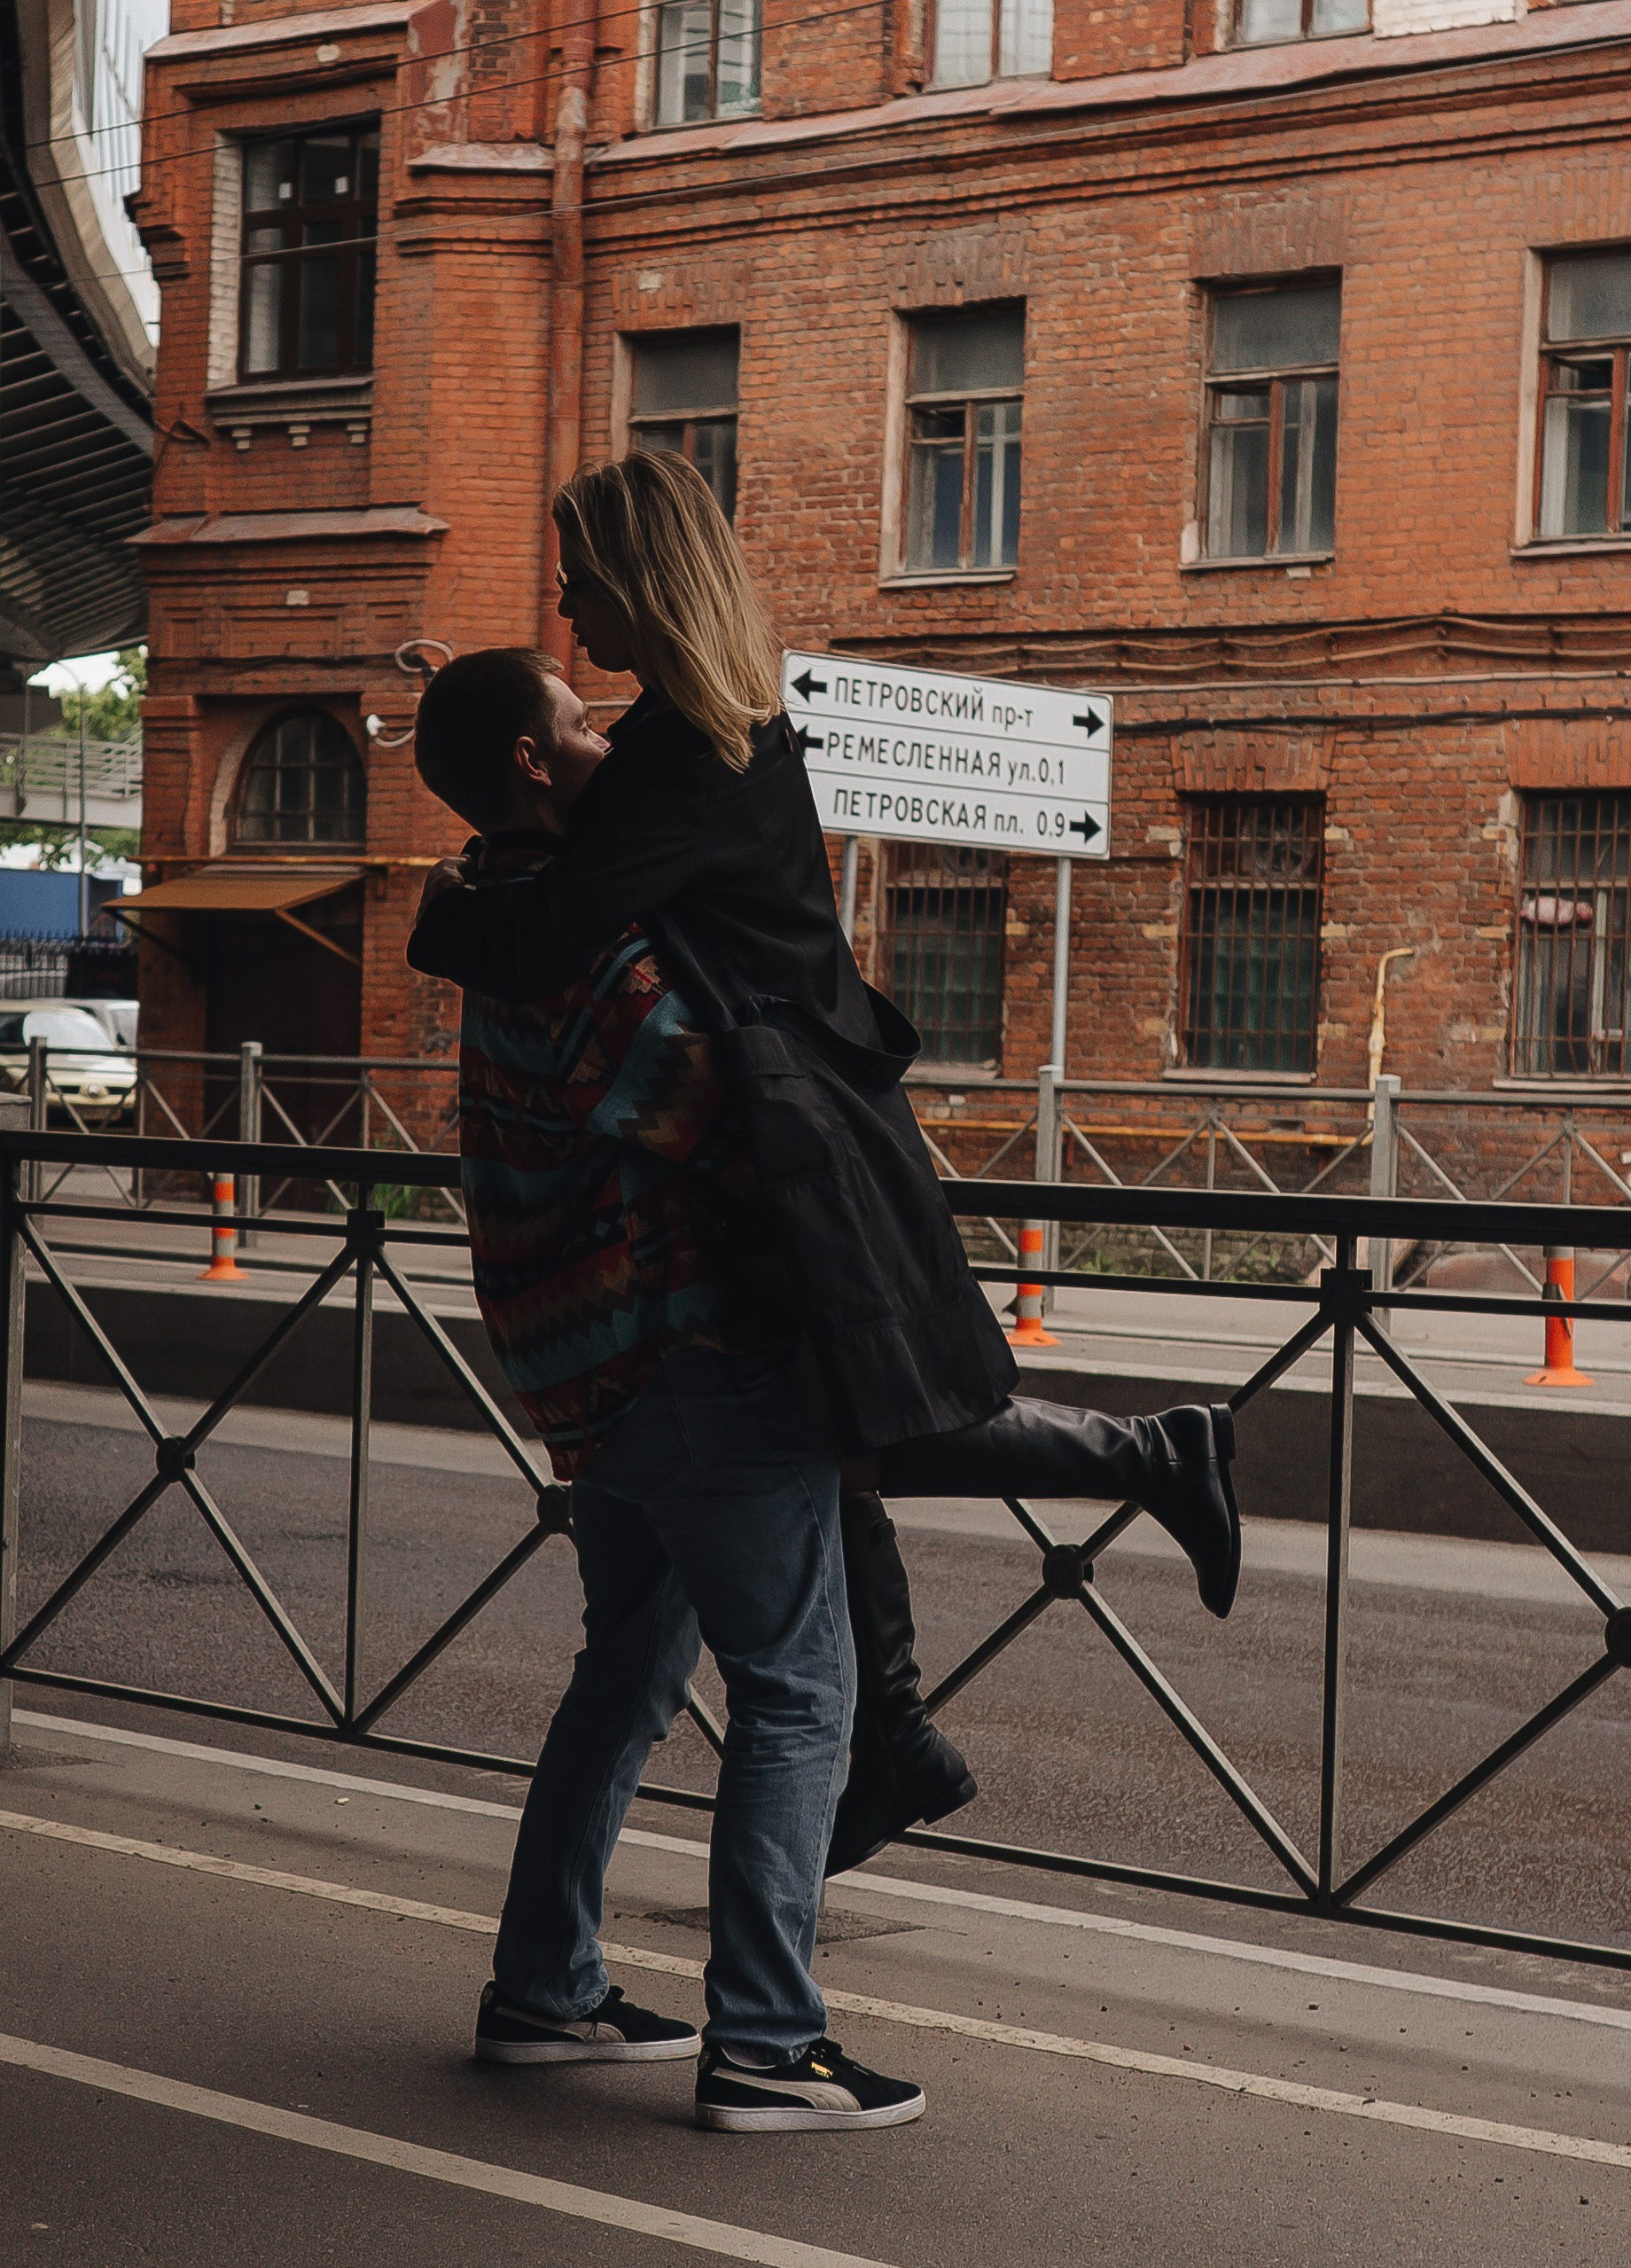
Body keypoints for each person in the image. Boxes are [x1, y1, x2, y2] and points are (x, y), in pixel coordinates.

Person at [408, 453, 1244, 1873]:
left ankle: (1146, 1464)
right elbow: (560, 868)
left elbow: (551, 941)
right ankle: (904, 1732)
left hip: (787, 1151)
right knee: (836, 1434)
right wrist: (483, 737)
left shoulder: (679, 760)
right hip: (790, 1135)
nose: (567, 608)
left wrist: (447, 897)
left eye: (581, 580)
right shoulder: (708, 731)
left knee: (867, 1425)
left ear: (640, 582)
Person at [413, 644, 926, 2132]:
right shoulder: (580, 935)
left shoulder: (498, 908)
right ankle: (767, 2042)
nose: (599, 737)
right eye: (576, 721)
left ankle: (546, 1988)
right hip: (680, 1350)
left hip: (583, 1364)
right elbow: (698, 1103)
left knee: (630, 1672)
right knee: (798, 1687)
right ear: (529, 761)